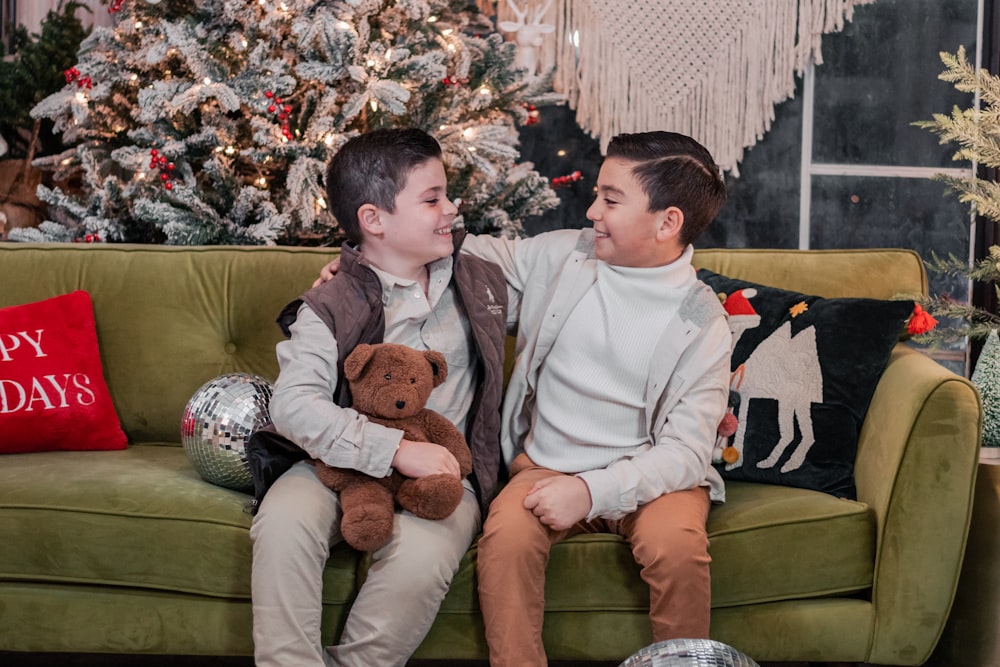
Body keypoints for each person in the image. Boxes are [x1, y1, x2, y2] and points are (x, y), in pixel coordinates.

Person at [459, 130, 732, 666]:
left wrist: (589, 492)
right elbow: (462, 249)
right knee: (507, 538)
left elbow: (684, 455)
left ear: (667, 222)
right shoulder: (567, 256)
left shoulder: (703, 322)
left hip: (654, 478)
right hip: (546, 468)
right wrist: (369, 261)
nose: (591, 212)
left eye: (610, 199)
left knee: (677, 548)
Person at [250, 127, 508, 667]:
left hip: (442, 471)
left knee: (420, 559)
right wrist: (391, 450)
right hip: (340, 462)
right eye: (433, 198)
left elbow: (584, 257)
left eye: (448, 194)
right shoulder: (331, 302)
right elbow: (294, 405)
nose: (451, 209)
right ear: (374, 220)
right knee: (283, 522)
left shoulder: (483, 275)